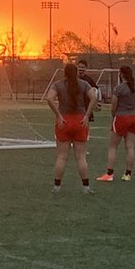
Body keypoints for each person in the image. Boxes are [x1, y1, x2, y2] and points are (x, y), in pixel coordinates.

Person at [45, 63, 96, 194]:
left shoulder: (58, 84)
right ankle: (86, 187)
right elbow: (94, 97)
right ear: (77, 72)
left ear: (64, 72)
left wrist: (58, 115)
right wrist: (87, 115)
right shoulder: (84, 84)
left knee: (62, 157)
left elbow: (49, 98)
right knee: (81, 157)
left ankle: (57, 187)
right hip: (80, 121)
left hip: (64, 121)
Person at [98, 65, 135, 182]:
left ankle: (109, 173)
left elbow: (113, 105)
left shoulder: (119, 88)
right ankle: (128, 174)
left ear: (121, 74)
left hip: (121, 117)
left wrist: (114, 116)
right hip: (133, 117)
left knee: (112, 147)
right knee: (130, 147)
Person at [77, 58, 99, 123]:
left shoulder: (89, 79)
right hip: (76, 104)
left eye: (83, 67)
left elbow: (95, 90)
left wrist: (95, 103)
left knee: (86, 125)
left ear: (86, 68)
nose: (81, 69)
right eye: (79, 67)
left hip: (86, 105)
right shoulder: (74, 78)